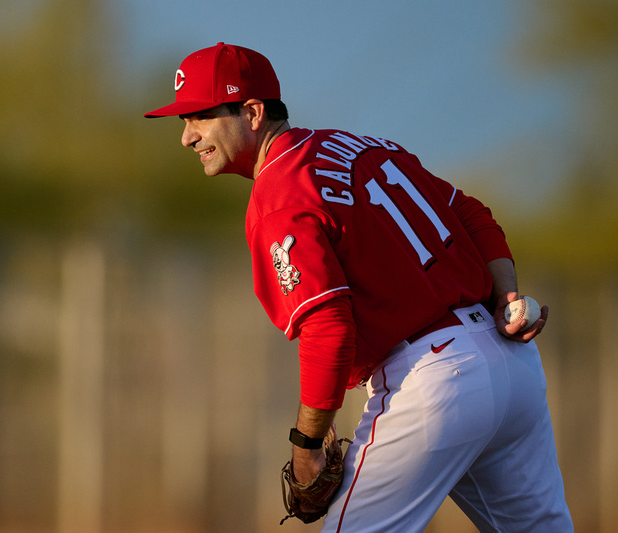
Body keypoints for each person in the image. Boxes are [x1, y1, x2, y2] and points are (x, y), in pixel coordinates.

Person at [144, 42, 573, 531]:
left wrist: (306, 446)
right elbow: (468, 210)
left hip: (433, 380)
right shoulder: (363, 147)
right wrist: (507, 295)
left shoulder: (280, 194)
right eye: (183, 121)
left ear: (252, 111)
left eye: (199, 116)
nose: (186, 137)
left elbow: (329, 328)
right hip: (510, 364)